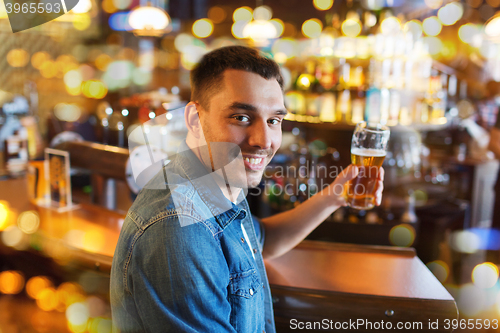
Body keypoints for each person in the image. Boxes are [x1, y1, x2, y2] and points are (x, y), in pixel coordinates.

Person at [110, 46, 385, 333]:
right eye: (241, 117)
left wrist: (334, 196)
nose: (263, 140)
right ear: (194, 119)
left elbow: (259, 240)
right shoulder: (179, 227)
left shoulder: (212, 178)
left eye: (274, 121)